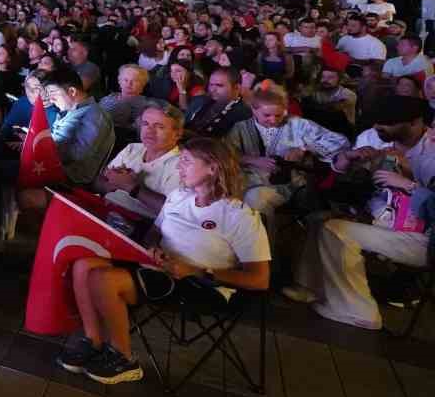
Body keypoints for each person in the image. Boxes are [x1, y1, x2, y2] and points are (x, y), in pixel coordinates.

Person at [57, 137, 270, 385]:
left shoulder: (240, 216)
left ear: (213, 168)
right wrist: (152, 247)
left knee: (103, 279)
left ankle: (123, 358)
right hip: (161, 268)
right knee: (83, 264)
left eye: (187, 162)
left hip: (200, 284)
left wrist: (199, 271)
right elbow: (156, 232)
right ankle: (92, 340)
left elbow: (260, 279)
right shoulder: (179, 196)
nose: (180, 167)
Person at [285, 96, 435, 329]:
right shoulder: (374, 138)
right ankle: (311, 287)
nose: (377, 127)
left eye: (387, 123)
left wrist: (409, 184)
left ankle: (358, 310)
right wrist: (347, 160)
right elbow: (341, 187)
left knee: (336, 231)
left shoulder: (431, 153)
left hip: (423, 238)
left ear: (415, 123)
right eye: (376, 122)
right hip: (381, 216)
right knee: (319, 220)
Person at [0, 65, 114, 252]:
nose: (53, 101)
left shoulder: (94, 116)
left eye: (54, 95)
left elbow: (77, 156)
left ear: (72, 91)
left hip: (65, 175)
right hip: (46, 161)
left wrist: (39, 143)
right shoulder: (73, 111)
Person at [226, 87, 349, 226]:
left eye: (278, 115)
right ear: (254, 110)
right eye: (267, 115)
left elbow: (339, 142)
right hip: (245, 182)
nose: (273, 120)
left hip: (288, 185)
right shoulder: (240, 128)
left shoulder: (298, 125)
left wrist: (304, 149)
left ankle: (265, 244)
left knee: (256, 200)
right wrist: (252, 160)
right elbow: (225, 154)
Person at [93, 105, 184, 214]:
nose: (149, 131)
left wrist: (131, 187)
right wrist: (110, 184)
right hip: (104, 206)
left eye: (159, 127)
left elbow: (174, 211)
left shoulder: (181, 165)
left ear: (177, 134)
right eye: (145, 124)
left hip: (135, 221)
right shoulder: (132, 148)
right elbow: (98, 182)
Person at [181, 67, 252, 139]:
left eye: (219, 85)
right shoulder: (205, 101)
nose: (213, 89)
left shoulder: (243, 114)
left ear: (237, 88)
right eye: (211, 85)